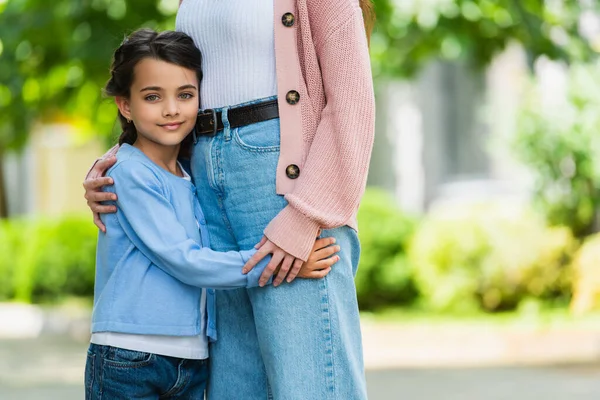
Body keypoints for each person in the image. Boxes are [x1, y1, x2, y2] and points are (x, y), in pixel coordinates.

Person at [84, 0, 376, 398]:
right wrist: (123, 160)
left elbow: (352, 101)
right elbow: (176, 88)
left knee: (310, 382)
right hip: (205, 174)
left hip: (284, 182)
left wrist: (306, 214)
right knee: (236, 387)